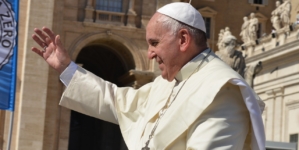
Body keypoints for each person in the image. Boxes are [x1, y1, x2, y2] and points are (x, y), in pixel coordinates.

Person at [32, 2, 265, 150]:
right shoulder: (167, 84)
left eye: (154, 43)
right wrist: (66, 68)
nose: (150, 54)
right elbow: (115, 100)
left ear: (183, 40)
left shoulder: (222, 90)